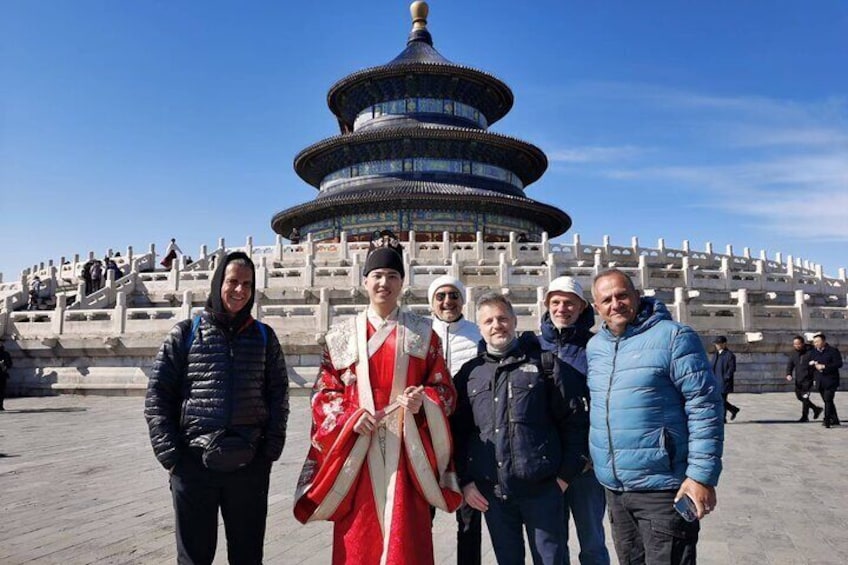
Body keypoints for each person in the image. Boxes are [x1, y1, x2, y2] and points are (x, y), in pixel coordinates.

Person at [293, 233, 462, 565]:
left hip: (407, 452)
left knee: (407, 537)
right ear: (365, 281)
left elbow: (444, 390)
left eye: (393, 276)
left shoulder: (423, 332)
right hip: (357, 451)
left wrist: (423, 400)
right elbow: (325, 394)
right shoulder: (340, 335)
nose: (384, 282)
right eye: (377, 276)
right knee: (358, 536)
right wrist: (350, 417)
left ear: (402, 283)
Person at [144, 251, 290, 565]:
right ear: (217, 283)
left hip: (249, 463)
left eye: (247, 284)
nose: (240, 291)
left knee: (248, 557)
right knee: (194, 558)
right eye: (233, 282)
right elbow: (158, 395)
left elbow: (279, 394)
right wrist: (171, 457)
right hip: (194, 464)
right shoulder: (185, 334)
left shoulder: (265, 337)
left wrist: (270, 450)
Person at [587, 269, 723, 565]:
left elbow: (705, 406)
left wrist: (701, 476)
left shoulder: (674, 337)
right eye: (606, 299)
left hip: (663, 488)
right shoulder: (595, 347)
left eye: (622, 295)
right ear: (596, 308)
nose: (616, 304)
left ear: (637, 295)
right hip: (616, 489)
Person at [452, 291, 589, 565]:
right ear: (479, 327)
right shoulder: (469, 374)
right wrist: (465, 481)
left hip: (542, 491)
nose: (496, 325)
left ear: (514, 321)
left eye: (502, 318)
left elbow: (576, 423)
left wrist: (564, 476)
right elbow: (458, 433)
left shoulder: (546, 365)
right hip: (494, 495)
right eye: (488, 321)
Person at [538, 276, 610, 565]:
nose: (562, 308)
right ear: (546, 306)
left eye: (569, 303)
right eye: (555, 302)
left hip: (586, 462)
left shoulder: (597, 346)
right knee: (552, 543)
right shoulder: (532, 345)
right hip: (547, 459)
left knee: (592, 540)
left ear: (582, 307)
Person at [427, 275, 484, 565]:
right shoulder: (420, 334)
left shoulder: (478, 335)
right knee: (423, 514)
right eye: (441, 296)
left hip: (468, 433)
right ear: (432, 301)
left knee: (469, 517)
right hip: (427, 435)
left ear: (463, 299)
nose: (447, 301)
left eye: (453, 295)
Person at [785, 335, 823, 422]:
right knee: (799, 396)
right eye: (794, 344)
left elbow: (817, 363)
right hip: (799, 379)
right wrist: (788, 374)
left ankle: (804, 416)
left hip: (808, 378)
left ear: (802, 343)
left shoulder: (811, 352)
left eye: (798, 344)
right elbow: (790, 364)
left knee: (805, 397)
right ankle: (816, 409)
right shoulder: (794, 354)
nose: (796, 346)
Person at [809, 333, 843, 428]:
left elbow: (839, 364)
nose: (815, 344)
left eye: (817, 342)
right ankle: (835, 419)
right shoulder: (814, 352)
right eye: (814, 342)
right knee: (827, 400)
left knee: (828, 400)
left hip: (830, 380)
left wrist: (824, 366)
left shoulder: (832, 351)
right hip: (819, 380)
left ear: (823, 341)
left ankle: (827, 420)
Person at [712, 336, 740, 423]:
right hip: (715, 380)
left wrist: (726, 378)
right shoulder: (716, 354)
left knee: (722, 400)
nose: (717, 346)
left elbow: (732, 369)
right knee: (719, 400)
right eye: (716, 344)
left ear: (724, 344)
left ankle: (722, 418)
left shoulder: (729, 355)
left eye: (719, 344)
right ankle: (733, 409)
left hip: (724, 382)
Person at [0, 341, 12, 410]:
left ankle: (0, 405)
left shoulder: (6, 354)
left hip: (2, 375)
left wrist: (5, 365)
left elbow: (10, 364)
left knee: (2, 391)